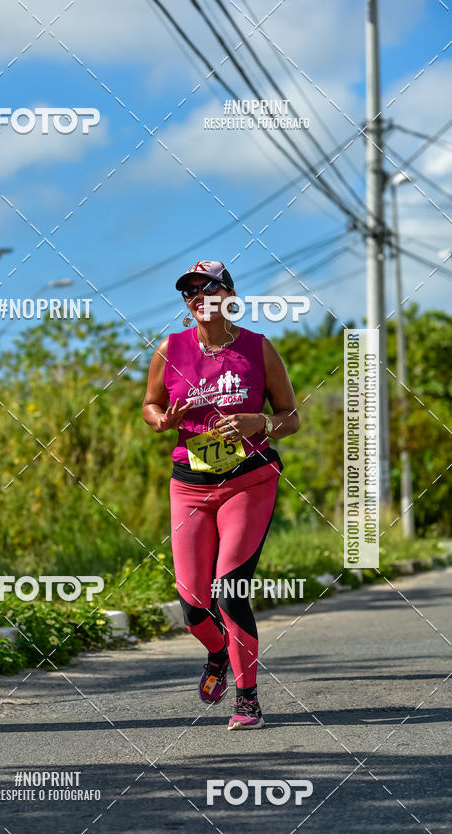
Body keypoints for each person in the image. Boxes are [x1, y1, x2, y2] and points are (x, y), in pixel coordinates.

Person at [142, 260, 299, 730]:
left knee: (230, 591)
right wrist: (162, 421)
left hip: (248, 479)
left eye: (209, 288)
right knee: (193, 605)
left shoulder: (258, 348)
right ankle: (217, 652)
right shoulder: (170, 349)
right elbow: (149, 405)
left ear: (229, 294)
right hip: (190, 485)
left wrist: (261, 423)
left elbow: (290, 416)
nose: (198, 297)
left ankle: (247, 699)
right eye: (189, 292)